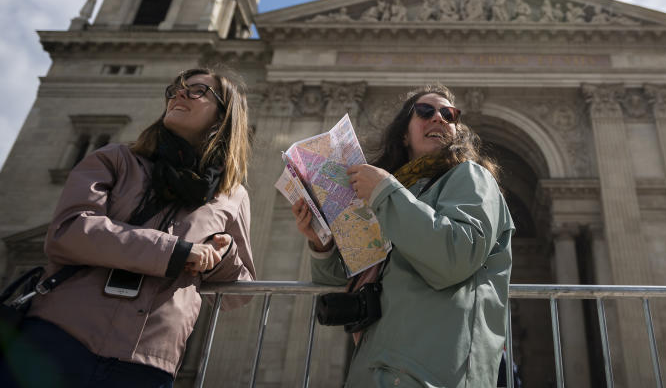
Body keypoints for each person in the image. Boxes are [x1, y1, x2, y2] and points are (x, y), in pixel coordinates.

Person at [3, 68, 255, 388]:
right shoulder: (117, 159)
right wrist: (175, 252)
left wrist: (224, 254)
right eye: (176, 89)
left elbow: (239, 294)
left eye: (196, 91)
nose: (178, 94)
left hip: (148, 363)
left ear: (223, 115)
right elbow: (69, 231)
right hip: (61, 337)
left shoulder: (232, 195)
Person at [292, 84, 514, 387]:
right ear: (404, 134)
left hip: (432, 370)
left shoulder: (470, 176)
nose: (439, 117)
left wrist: (386, 192)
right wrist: (321, 243)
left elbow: (458, 255)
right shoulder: (397, 195)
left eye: (449, 114)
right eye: (425, 111)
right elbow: (349, 276)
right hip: (379, 365)